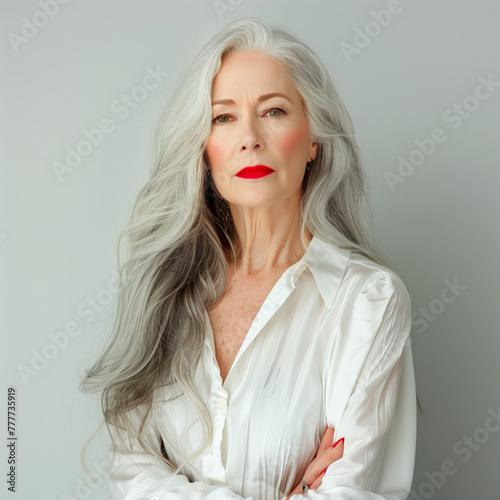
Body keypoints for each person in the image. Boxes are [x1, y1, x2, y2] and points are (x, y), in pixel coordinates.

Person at [81, 17, 417, 500]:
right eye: (223, 117)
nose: (250, 137)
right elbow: (131, 473)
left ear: (314, 139)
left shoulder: (368, 301)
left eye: (274, 111)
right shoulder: (164, 289)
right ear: (204, 151)